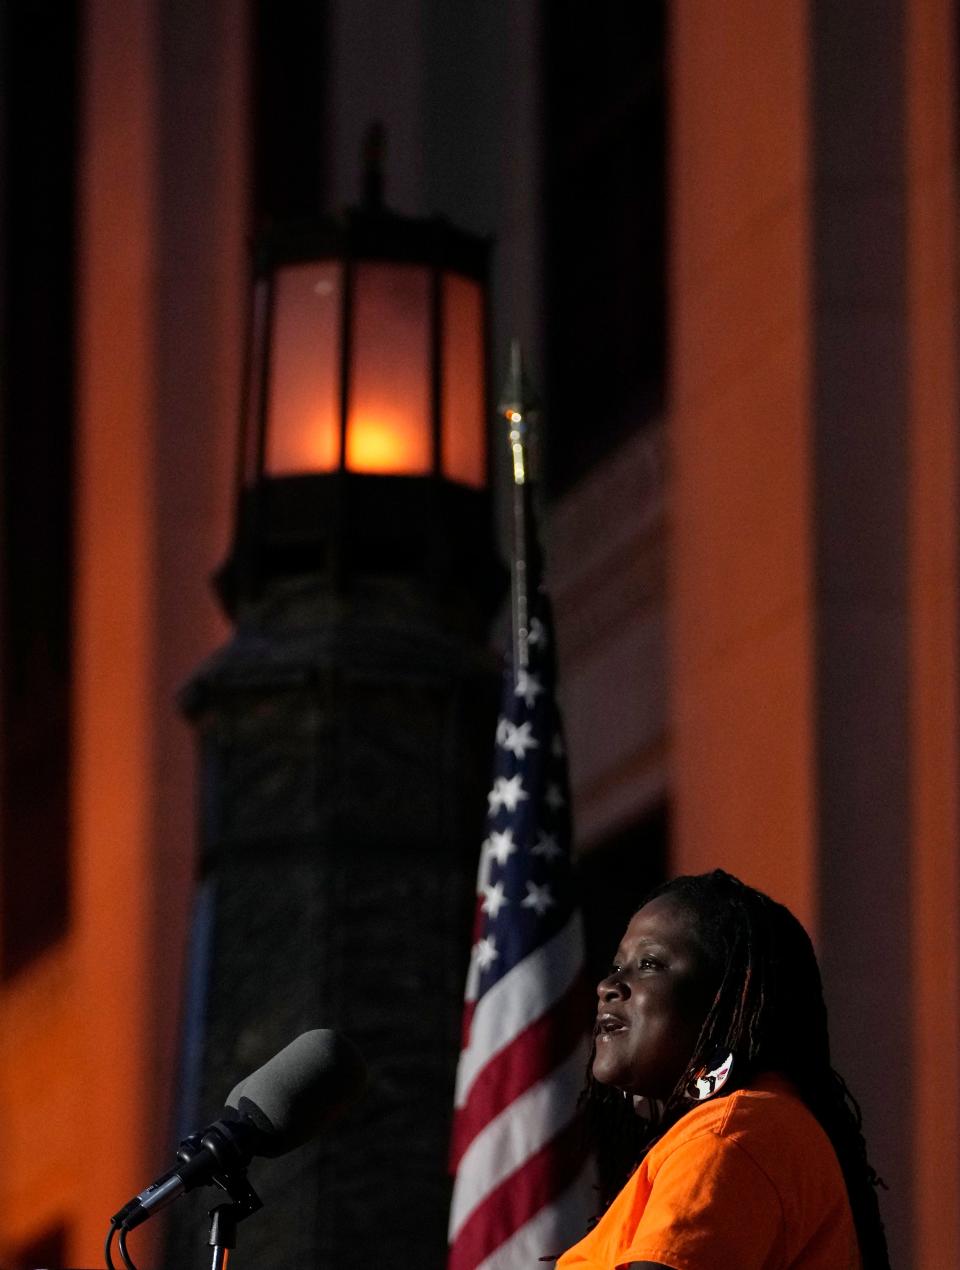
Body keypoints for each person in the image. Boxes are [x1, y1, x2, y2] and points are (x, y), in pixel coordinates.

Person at [556, 870, 889, 1269]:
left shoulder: (729, 1135)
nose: (608, 984)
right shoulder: (744, 1129)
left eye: (648, 963)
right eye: (617, 965)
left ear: (728, 998)